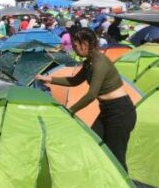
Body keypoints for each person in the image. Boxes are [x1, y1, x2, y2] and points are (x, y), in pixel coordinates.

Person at [36, 27, 136, 170]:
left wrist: (70, 110)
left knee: (116, 158)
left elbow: (91, 94)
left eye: (75, 46)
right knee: (92, 143)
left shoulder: (99, 63)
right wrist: (49, 79)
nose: (74, 49)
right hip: (107, 110)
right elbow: (74, 81)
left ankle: (124, 183)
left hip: (120, 111)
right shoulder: (90, 62)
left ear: (85, 44)